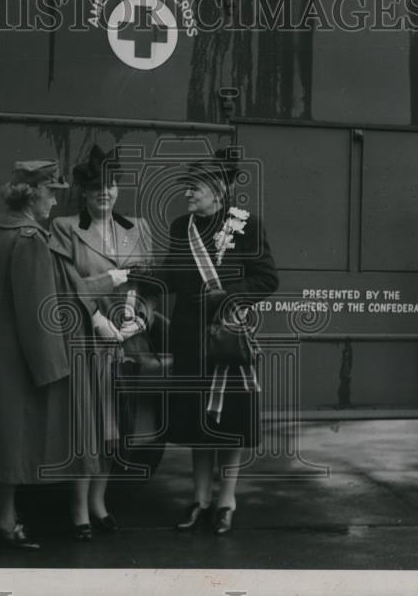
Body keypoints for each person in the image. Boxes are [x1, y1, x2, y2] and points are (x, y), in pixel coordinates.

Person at [135, 151, 278, 535]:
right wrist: (138, 277)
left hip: (226, 340)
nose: (187, 194)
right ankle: (200, 500)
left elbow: (267, 279)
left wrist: (226, 296)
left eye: (194, 188)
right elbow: (175, 274)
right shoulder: (182, 227)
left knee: (227, 423)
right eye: (187, 187)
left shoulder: (246, 226)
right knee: (199, 422)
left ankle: (226, 501)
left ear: (217, 191)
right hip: (188, 339)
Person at [0, 160, 72, 550]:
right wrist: (54, 367)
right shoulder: (30, 238)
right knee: (14, 439)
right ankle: (5, 522)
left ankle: (5, 516)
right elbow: (38, 311)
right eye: (51, 192)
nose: (54, 201)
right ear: (33, 194)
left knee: (0, 437)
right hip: (21, 350)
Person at [50, 145, 158, 541]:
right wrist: (95, 318)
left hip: (127, 342)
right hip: (85, 339)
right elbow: (64, 283)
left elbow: (148, 285)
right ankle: (79, 509)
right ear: (83, 191)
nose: (105, 193)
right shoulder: (65, 228)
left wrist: (139, 316)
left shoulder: (138, 228)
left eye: (111, 185)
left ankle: (100, 502)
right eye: (96, 187)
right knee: (88, 427)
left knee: (117, 426)